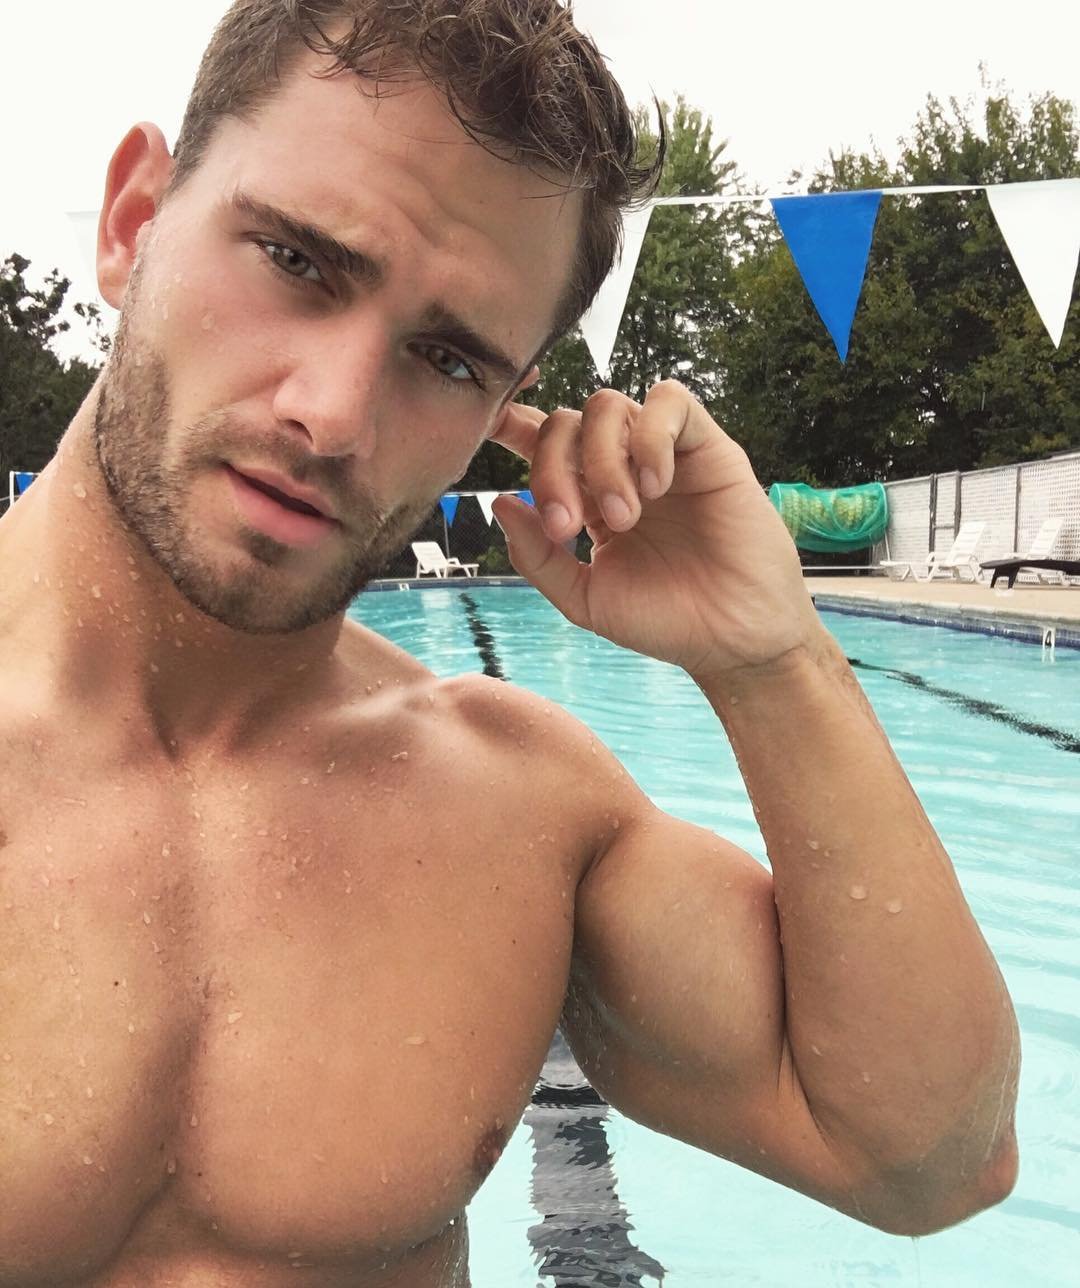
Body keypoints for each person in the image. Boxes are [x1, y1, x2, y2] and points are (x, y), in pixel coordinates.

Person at [0, 2, 1020, 1284]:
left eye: (446, 358)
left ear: (507, 400)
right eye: (297, 261)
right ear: (133, 219)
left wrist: (773, 661)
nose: (333, 415)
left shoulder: (514, 810)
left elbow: (930, 1160)